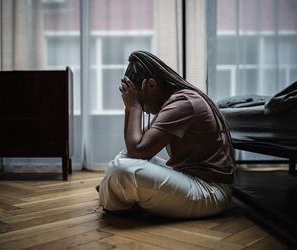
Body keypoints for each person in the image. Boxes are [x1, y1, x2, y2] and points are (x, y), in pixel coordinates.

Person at [97, 50, 235, 218]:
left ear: (152, 85)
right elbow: (134, 149)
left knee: (121, 170)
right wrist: (129, 107)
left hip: (210, 190)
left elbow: (138, 150)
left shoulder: (184, 103)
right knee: (124, 158)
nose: (143, 108)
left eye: (141, 101)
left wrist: (133, 107)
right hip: (189, 177)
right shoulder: (173, 102)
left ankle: (115, 195)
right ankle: (115, 192)